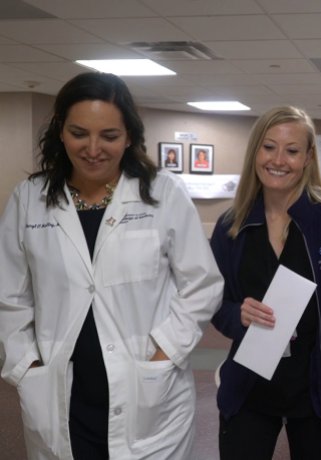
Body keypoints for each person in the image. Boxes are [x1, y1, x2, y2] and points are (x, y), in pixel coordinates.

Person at [0, 72, 224, 459]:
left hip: (147, 391)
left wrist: (164, 353)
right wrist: (26, 363)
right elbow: (10, 295)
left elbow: (201, 285)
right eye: (78, 132)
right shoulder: (29, 199)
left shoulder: (162, 193)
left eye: (109, 136)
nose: (92, 148)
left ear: (129, 137)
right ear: (60, 131)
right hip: (59, 390)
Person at [209, 106, 321, 460]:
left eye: (292, 150)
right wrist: (237, 315)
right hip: (249, 390)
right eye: (269, 147)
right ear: (256, 152)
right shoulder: (231, 227)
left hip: (316, 397)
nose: (278, 160)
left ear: (308, 157)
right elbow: (212, 304)